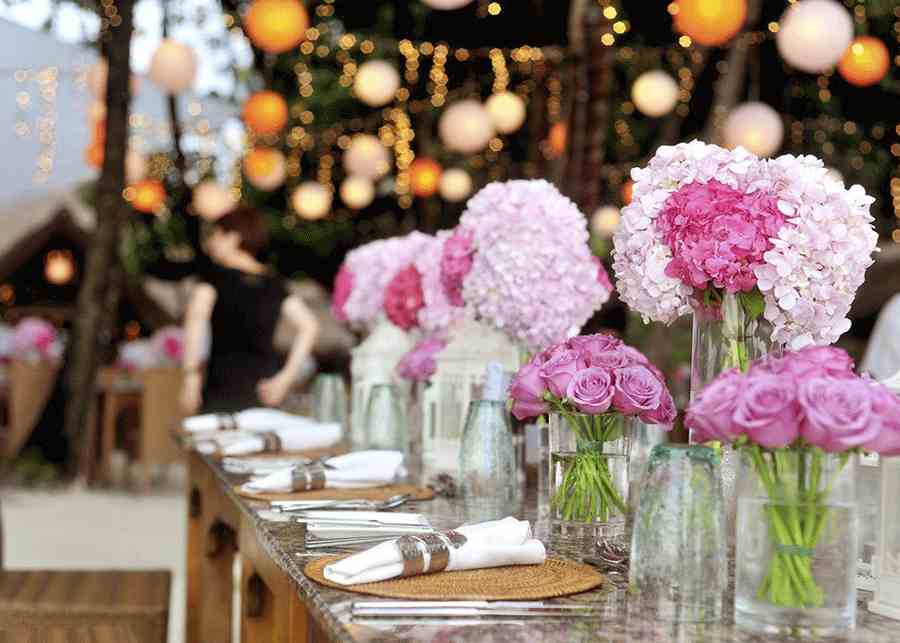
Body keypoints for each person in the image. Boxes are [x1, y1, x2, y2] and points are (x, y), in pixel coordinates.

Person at [180, 206, 319, 414]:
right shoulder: (273, 283)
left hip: (223, 389)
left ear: (233, 238)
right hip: (267, 390)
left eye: (216, 235)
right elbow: (310, 325)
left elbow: (196, 319)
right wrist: (285, 379)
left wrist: (191, 378)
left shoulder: (215, 277)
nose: (211, 243)